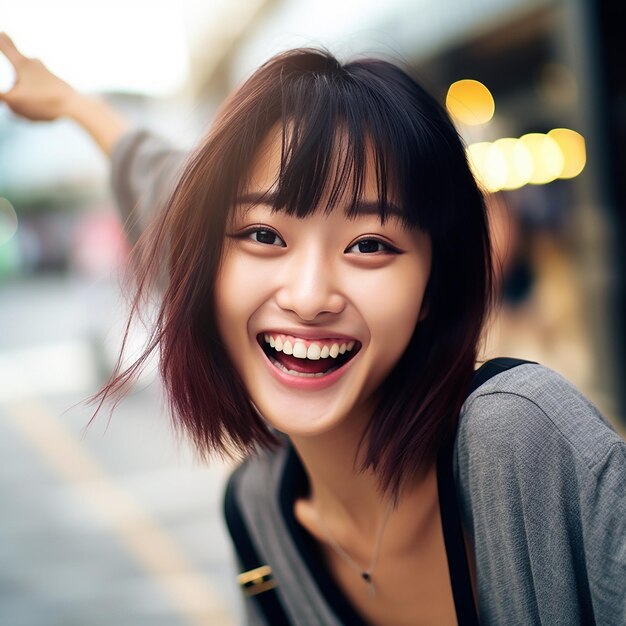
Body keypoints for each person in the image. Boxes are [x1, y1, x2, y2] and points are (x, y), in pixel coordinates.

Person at [2, 30, 624, 626]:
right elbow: (170, 192)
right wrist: (72, 105)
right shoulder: (257, 514)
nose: (307, 297)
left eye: (370, 244)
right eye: (264, 235)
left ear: (434, 283)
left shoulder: (517, 440)